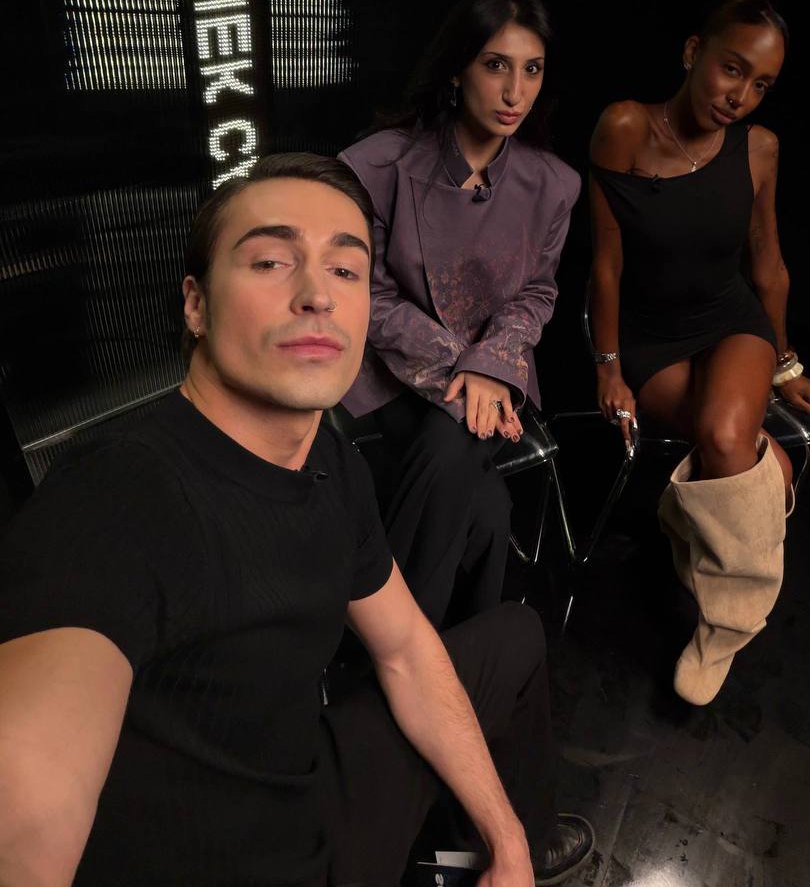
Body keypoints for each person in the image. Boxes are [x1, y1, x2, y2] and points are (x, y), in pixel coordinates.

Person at [0, 153, 593, 886]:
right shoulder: (117, 494)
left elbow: (406, 649)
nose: (317, 294)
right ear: (195, 304)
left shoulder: (329, 461)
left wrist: (506, 842)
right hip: (228, 862)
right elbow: (27, 811)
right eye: (271, 262)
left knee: (516, 638)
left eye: (345, 270)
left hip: (302, 788)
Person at [588, 0, 810, 706]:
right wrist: (608, 367)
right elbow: (605, 263)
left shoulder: (759, 149)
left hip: (730, 320)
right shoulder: (624, 127)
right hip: (650, 335)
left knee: (725, 435)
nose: (740, 96)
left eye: (761, 85)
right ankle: (724, 500)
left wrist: (785, 366)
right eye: (732, 69)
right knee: (750, 454)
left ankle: (725, 623)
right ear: (694, 52)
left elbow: (767, 262)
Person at [338, 0, 581, 627]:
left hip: (496, 371)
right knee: (487, 511)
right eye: (496, 65)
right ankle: (440, 651)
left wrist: (491, 365)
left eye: (532, 70)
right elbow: (367, 294)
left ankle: (393, 645)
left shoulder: (554, 184)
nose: (515, 92)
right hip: (393, 373)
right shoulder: (376, 166)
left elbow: (538, 293)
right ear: (456, 69)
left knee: (454, 452)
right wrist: (466, 370)